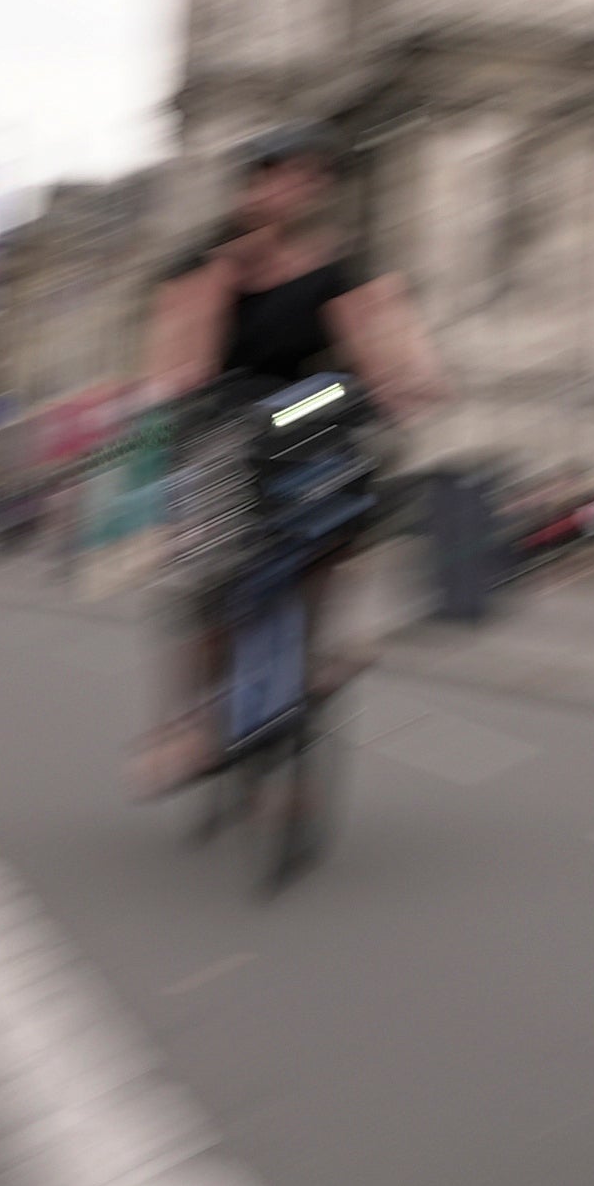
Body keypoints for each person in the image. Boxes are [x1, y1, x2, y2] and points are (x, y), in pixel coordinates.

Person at [128, 125, 452, 797]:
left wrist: (410, 381)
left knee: (353, 479)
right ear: (251, 185)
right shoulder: (208, 262)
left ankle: (328, 637)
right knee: (208, 575)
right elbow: (179, 351)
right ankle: (192, 722)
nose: (296, 188)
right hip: (220, 417)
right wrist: (169, 393)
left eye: (310, 177)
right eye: (280, 175)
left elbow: (380, 336)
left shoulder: (337, 266)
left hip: (302, 415)